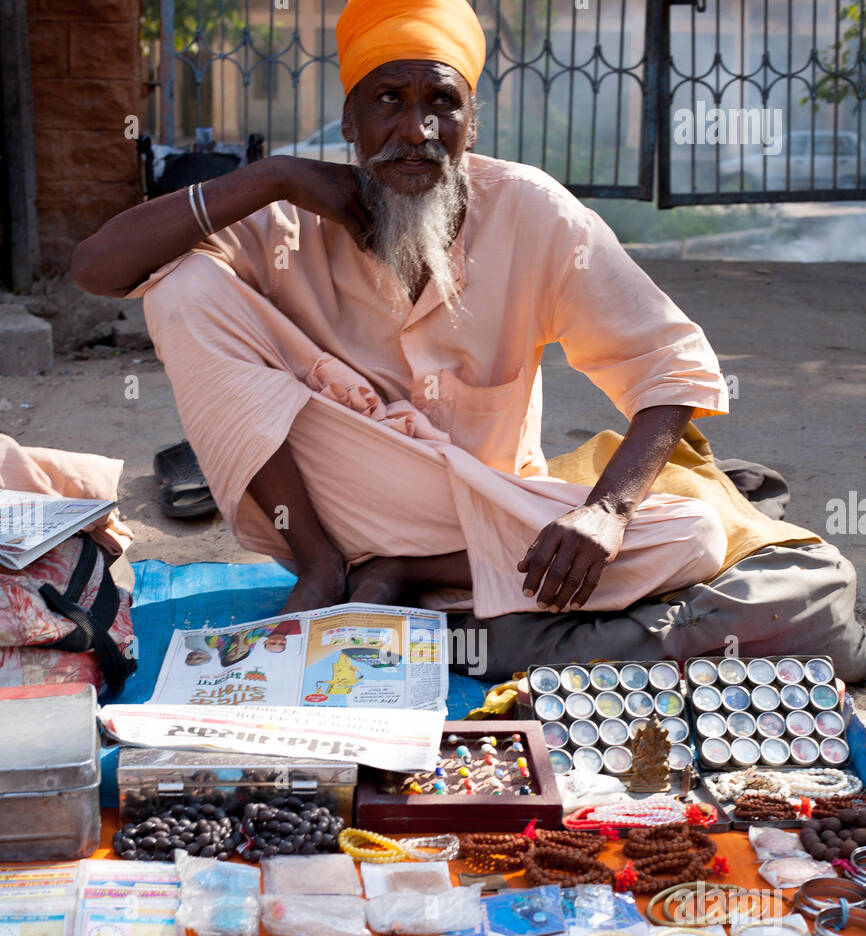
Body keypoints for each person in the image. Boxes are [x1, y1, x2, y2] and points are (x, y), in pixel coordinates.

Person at [71, 0, 866, 681]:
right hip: (327, 508)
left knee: (689, 531)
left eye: (440, 104)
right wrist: (271, 176)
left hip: (483, 524)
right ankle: (324, 572)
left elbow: (671, 366)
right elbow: (98, 268)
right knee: (185, 285)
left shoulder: (530, 212)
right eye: (388, 100)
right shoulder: (283, 221)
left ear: (470, 122)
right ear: (349, 120)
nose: (414, 131)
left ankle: (402, 578)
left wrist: (607, 515)